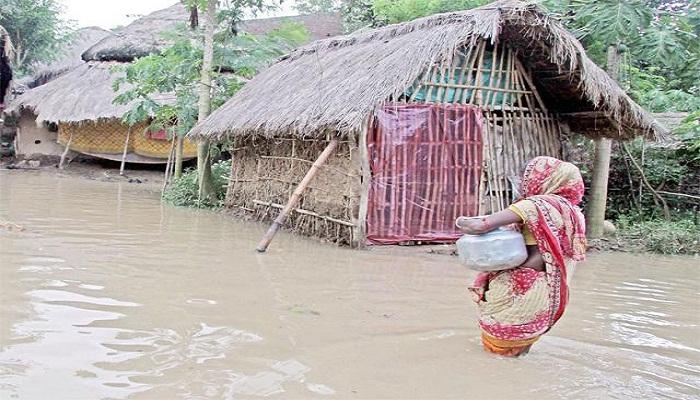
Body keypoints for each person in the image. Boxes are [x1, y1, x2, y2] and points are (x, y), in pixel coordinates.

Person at [456, 156, 587, 356]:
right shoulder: (574, 213)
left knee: (496, 353)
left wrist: (460, 221)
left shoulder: (534, 205)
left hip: (519, 287)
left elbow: (480, 225)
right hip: (548, 292)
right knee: (518, 352)